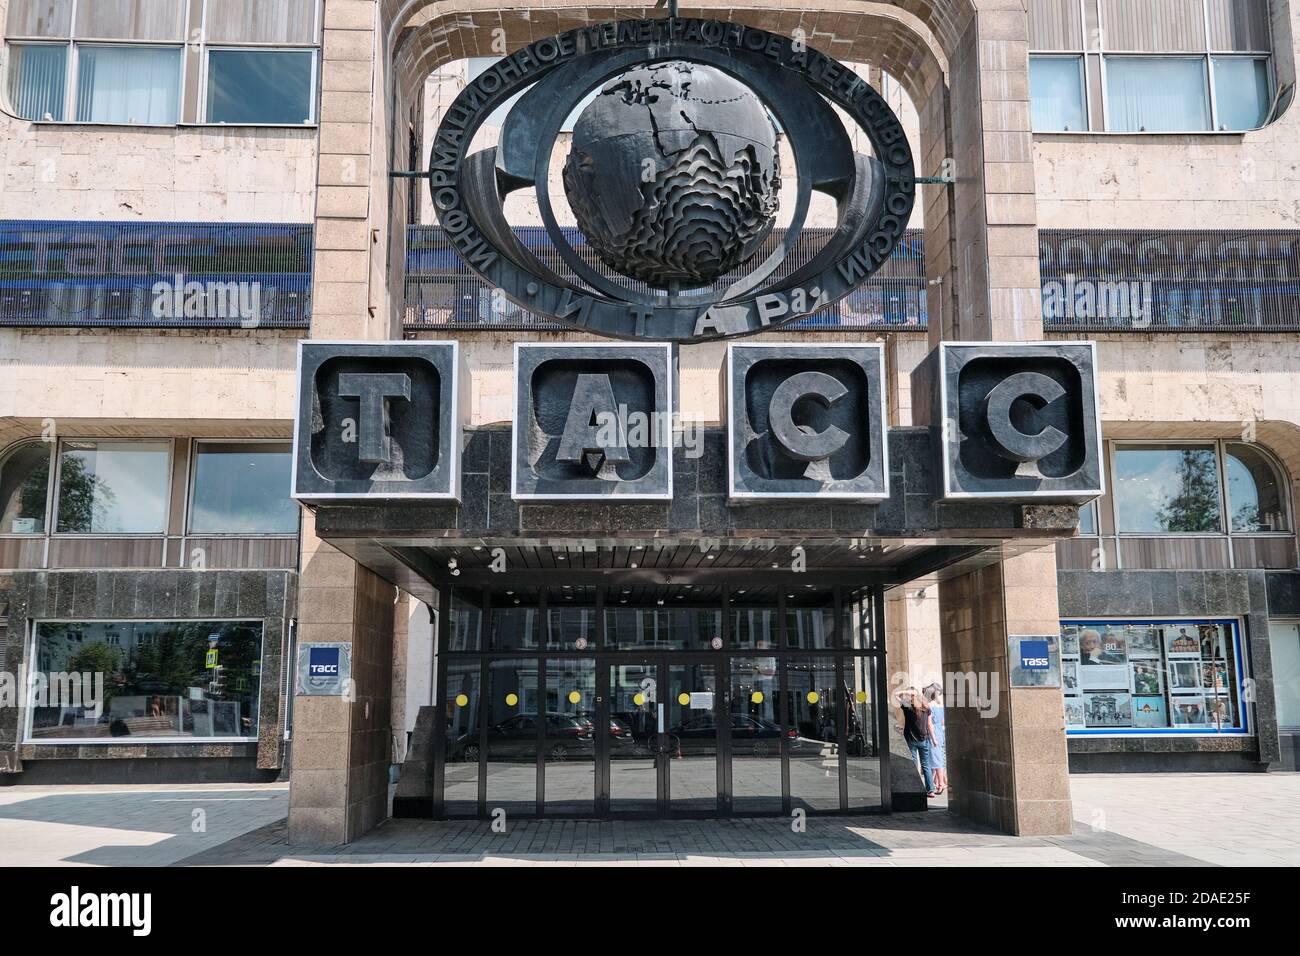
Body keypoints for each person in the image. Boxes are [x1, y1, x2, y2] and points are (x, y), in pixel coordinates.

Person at [896, 687, 936, 798]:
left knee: (913, 764)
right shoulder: (926, 708)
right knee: (926, 765)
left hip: (911, 739)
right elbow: (929, 724)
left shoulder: (909, 707)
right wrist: (934, 739)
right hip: (924, 739)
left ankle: (916, 788)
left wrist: (905, 691)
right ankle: (931, 790)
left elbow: (896, 695)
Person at [922, 682, 947, 795]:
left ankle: (940, 784)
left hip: (933, 734)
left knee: (936, 760)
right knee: (937, 758)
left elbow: (929, 724)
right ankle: (936, 783)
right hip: (939, 732)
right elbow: (942, 722)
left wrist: (933, 738)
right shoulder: (940, 705)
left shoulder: (929, 706)